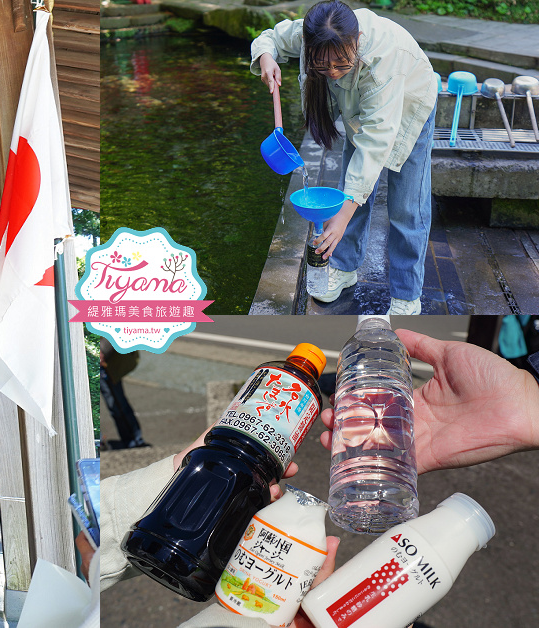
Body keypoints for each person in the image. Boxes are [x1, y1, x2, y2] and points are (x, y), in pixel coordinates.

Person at [92, 329, 539, 626]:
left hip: (241, 463)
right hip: (233, 458)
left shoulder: (286, 384)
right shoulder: (279, 379)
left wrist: (526, 397)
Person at [253, 1, 437, 315]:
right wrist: (267, 57)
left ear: (356, 42)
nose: (333, 73)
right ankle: (345, 267)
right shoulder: (314, 32)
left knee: (407, 207)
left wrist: (344, 212)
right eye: (323, 67)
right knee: (349, 193)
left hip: (410, 105)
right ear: (309, 47)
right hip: (360, 113)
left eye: (341, 64)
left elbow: (375, 144)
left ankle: (407, 296)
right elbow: (269, 36)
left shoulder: (382, 64)